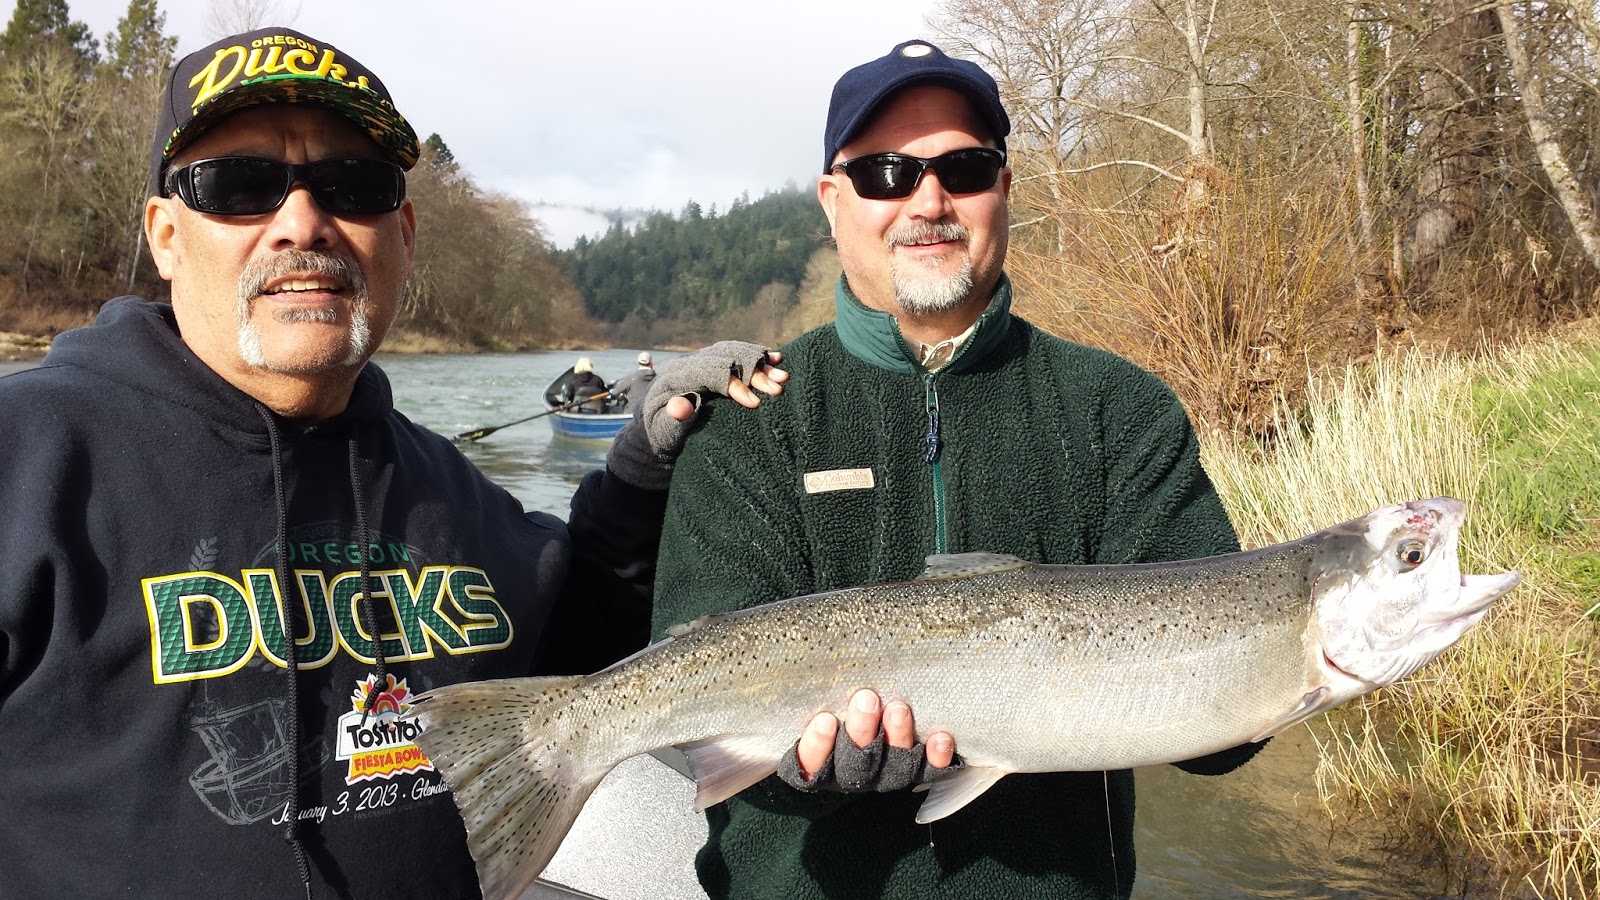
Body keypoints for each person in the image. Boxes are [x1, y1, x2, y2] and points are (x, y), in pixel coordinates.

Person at [0, 26, 799, 899]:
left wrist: (645, 462)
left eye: (352, 185)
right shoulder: (25, 460)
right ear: (164, 233)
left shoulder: (446, 493)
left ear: (403, 233)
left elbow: (579, 648)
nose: (301, 222)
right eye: (240, 186)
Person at [652, 39, 1264, 899]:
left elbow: (1223, 740)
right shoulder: (754, 416)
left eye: (966, 168)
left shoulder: (1119, 409)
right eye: (887, 174)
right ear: (833, 203)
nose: (929, 201)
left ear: (1003, 192)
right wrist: (802, 768)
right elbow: (688, 691)